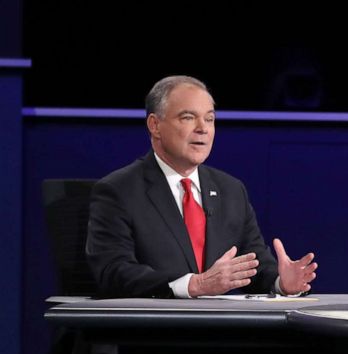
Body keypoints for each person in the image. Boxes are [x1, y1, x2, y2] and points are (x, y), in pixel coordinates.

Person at [87, 75, 317, 298]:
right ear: (155, 125)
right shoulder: (119, 190)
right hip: (151, 331)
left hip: (219, 331)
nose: (203, 128)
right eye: (188, 117)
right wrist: (194, 285)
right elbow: (113, 272)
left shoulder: (231, 190)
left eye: (209, 119)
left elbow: (253, 268)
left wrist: (282, 283)